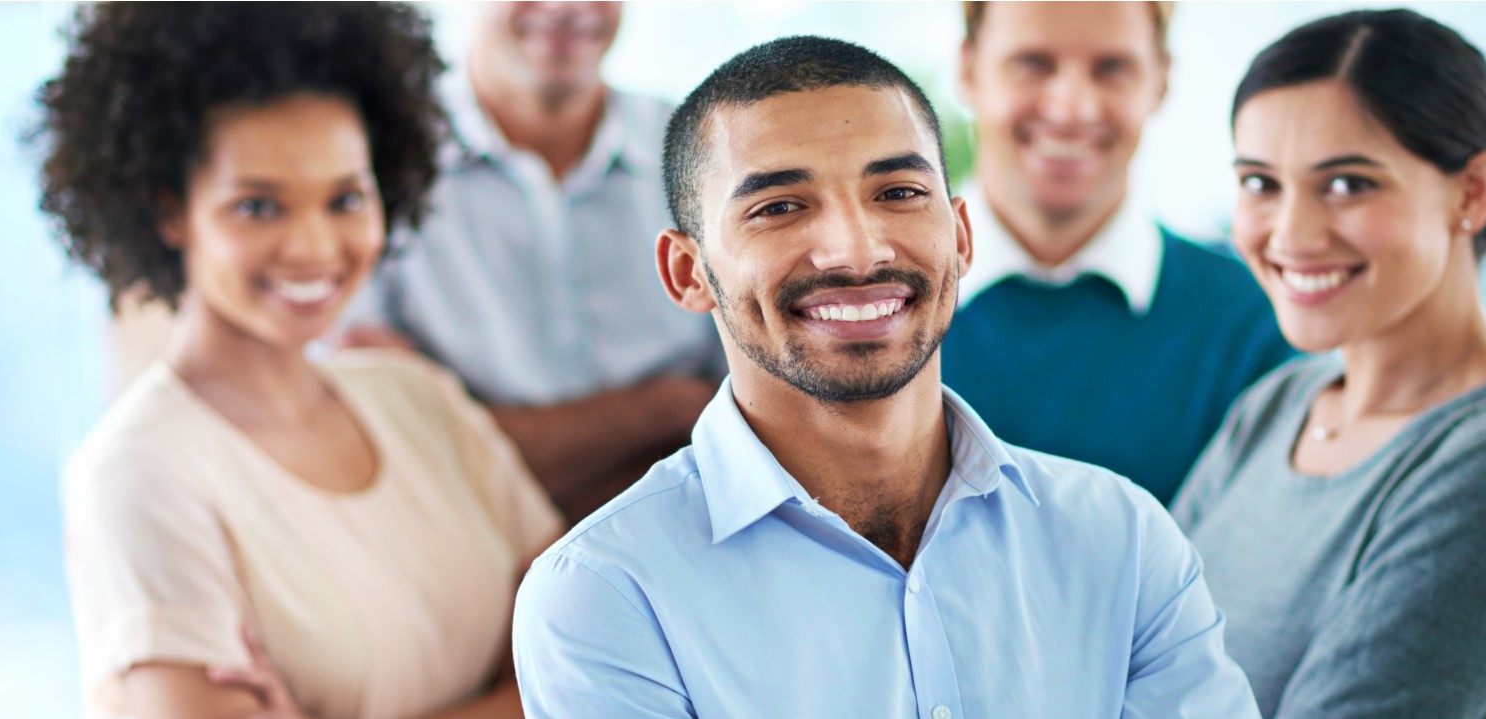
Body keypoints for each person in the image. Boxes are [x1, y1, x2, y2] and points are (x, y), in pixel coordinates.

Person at [510, 35, 1257, 717]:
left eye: (897, 193)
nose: (853, 249)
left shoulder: (1121, 540)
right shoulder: (606, 594)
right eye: (779, 207)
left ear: (960, 237)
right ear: (687, 271)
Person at [39, 5, 558, 718]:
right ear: (169, 211)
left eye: (345, 198)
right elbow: (561, 691)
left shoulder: (418, 398)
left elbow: (595, 655)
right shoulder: (139, 475)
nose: (314, 247)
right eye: (258, 207)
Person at [1171, 10, 1486, 717]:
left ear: (1474, 192)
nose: (1290, 234)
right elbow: (1135, 634)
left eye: (1346, 184)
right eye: (1260, 183)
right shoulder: (1283, 402)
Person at [332, 1, 724, 522]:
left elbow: (763, 428)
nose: (567, 7)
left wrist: (484, 436)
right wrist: (667, 410)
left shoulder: (712, 151)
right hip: (458, 557)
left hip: (689, 542)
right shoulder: (364, 160)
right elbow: (403, 451)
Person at [943, 1, 1292, 501]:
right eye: (1033, 64)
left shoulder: (1256, 326)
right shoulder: (868, 306)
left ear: (1162, 81)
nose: (1072, 108)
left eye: (1112, 68)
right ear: (968, 68)